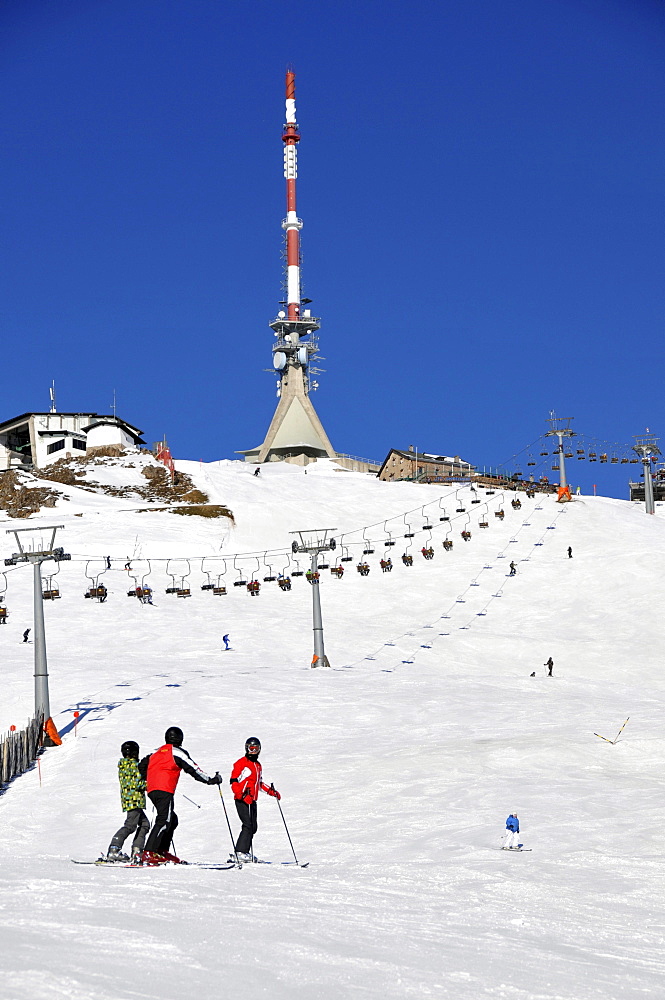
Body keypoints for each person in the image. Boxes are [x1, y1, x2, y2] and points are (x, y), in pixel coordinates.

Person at [139, 726, 221, 864]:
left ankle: (161, 850)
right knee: (164, 819)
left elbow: (141, 766)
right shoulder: (178, 752)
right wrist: (212, 780)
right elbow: (193, 769)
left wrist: (152, 777)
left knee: (172, 819)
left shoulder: (155, 752)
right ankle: (150, 852)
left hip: (153, 789)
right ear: (180, 739)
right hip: (164, 789)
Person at [229, 737, 280, 862]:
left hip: (252, 800)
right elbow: (234, 781)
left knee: (253, 827)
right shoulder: (242, 763)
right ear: (246, 748)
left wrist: (271, 791)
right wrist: (242, 795)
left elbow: (259, 783)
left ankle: (244, 852)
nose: (253, 751)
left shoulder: (257, 765)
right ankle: (240, 852)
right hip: (242, 799)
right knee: (247, 825)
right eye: (251, 749)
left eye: (256, 749)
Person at [106, 741, 149, 863]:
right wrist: (149, 784)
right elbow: (136, 784)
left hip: (128, 800)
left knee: (145, 824)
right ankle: (114, 849)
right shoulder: (135, 765)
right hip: (135, 800)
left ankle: (137, 851)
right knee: (130, 826)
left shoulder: (123, 765)